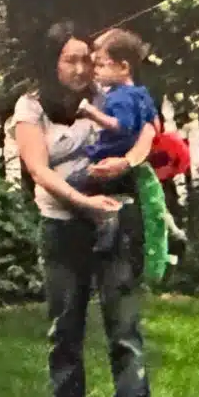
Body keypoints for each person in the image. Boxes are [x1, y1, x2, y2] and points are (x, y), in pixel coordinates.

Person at [15, 22, 157, 397]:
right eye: (70, 60)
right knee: (65, 331)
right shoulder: (31, 106)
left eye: (86, 59)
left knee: (124, 331)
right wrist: (84, 203)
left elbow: (151, 128)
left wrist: (127, 162)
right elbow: (39, 169)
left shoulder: (110, 94)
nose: (81, 69)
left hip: (115, 220)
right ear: (52, 62)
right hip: (62, 224)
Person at [66, 28, 159, 252]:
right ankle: (119, 207)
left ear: (124, 67)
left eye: (100, 65)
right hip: (129, 159)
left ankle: (105, 217)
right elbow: (154, 124)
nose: (95, 71)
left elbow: (120, 125)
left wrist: (91, 113)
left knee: (72, 182)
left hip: (108, 155)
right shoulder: (141, 93)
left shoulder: (119, 97)